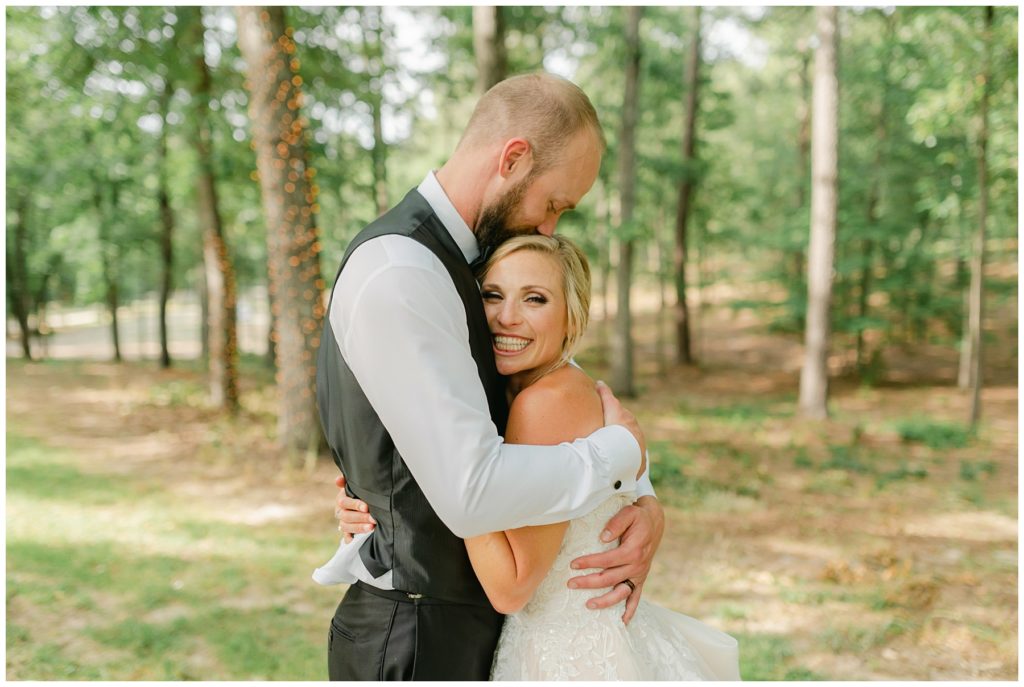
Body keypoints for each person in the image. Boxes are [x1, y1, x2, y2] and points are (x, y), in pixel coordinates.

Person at [315, 72, 665, 681]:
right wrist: (615, 457)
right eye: (553, 203)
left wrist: (642, 497)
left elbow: (555, 389)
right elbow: (469, 490)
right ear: (513, 159)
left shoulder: (470, 263)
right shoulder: (401, 271)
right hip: (417, 638)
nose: (551, 227)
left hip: (473, 631)